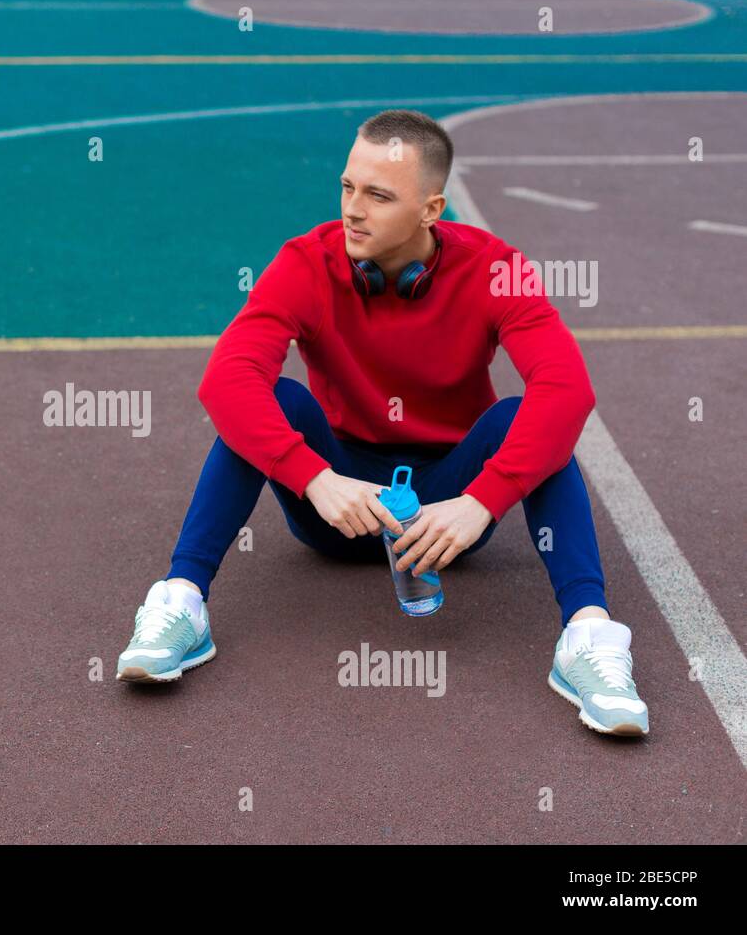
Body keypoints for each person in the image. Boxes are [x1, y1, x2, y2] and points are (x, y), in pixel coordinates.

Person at [116, 109, 648, 737]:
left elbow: (566, 389)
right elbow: (226, 379)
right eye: (347, 187)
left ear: (431, 209)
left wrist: (483, 500)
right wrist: (313, 477)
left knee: (519, 418)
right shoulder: (306, 262)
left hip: (445, 517)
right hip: (338, 505)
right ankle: (181, 601)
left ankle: (587, 635)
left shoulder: (495, 269)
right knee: (275, 399)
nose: (353, 209)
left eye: (378, 195)